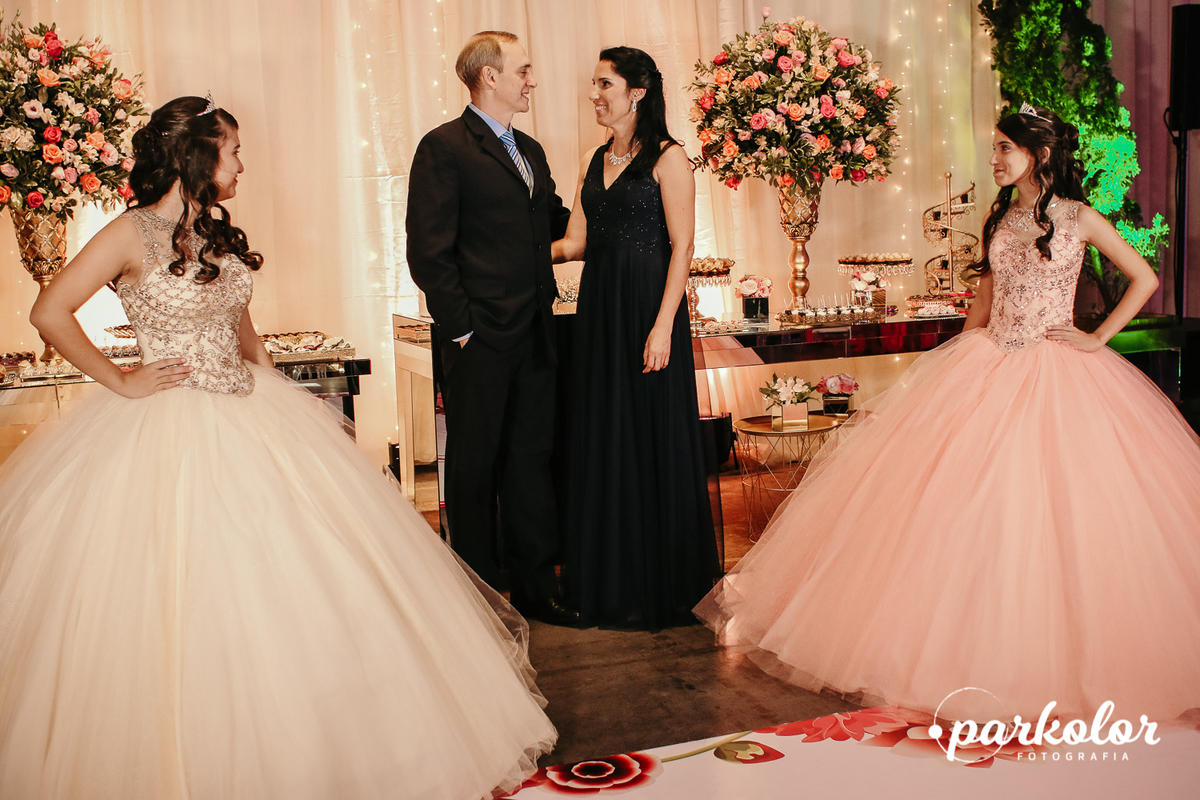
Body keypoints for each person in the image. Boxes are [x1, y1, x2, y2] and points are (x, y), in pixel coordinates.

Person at [0, 95, 556, 800]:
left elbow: (245, 332)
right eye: (233, 150)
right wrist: (120, 379)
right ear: (197, 156)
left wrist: (289, 406)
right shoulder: (129, 234)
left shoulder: (218, 235)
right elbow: (49, 311)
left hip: (250, 412)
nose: (242, 164)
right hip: (169, 426)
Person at [695, 106, 1200, 722]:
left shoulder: (1077, 217)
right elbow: (987, 296)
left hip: (1055, 366)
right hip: (990, 361)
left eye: (1005, 149)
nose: (994, 158)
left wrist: (1099, 338)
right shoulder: (1003, 217)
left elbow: (1144, 277)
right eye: (993, 147)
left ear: (1038, 155)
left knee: (1054, 505)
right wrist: (955, 358)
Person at [407, 31, 577, 625]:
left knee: (531, 461)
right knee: (474, 467)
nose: (531, 80)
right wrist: (462, 331)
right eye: (523, 70)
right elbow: (429, 253)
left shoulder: (529, 148)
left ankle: (535, 588)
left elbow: (552, 219)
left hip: (534, 330)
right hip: (478, 337)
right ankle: (475, 597)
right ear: (489, 78)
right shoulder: (444, 148)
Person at [552, 48, 720, 629]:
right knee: (605, 434)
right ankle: (609, 581)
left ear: (638, 91)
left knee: (649, 438)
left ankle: (661, 585)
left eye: (604, 83)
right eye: (593, 82)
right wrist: (503, 256)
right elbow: (574, 243)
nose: (594, 93)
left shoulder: (670, 158)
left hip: (649, 312)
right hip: (600, 312)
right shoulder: (592, 157)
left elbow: (683, 246)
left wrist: (663, 325)